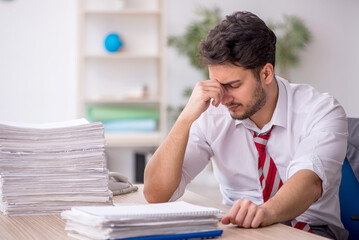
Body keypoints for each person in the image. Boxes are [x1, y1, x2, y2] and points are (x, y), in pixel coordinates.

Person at [143, 11, 348, 240]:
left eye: (233, 85)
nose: (224, 97)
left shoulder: (321, 111)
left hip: (310, 232)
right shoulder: (212, 112)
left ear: (266, 73)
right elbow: (156, 194)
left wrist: (264, 212)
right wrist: (185, 119)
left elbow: (308, 182)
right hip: (239, 232)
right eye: (218, 85)